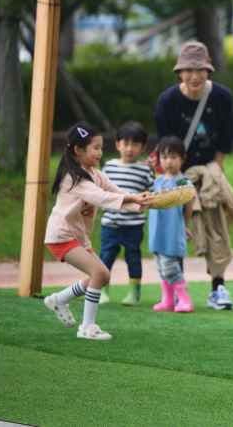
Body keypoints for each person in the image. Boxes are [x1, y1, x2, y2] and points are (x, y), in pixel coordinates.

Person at [42, 123, 150, 341]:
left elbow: (116, 192)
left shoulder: (96, 174)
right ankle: (87, 327)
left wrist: (141, 203)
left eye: (101, 147)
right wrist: (133, 199)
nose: (100, 152)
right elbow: (102, 197)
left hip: (76, 237)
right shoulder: (74, 178)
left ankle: (59, 300)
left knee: (102, 275)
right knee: (98, 273)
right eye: (95, 148)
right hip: (61, 236)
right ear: (78, 150)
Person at [155, 40, 233, 311]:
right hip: (177, 172)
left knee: (216, 227)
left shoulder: (222, 97)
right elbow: (165, 145)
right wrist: (173, 180)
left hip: (210, 169)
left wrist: (216, 176)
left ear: (208, 71)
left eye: (200, 70)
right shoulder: (167, 101)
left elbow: (225, 142)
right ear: (179, 72)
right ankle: (177, 288)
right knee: (176, 229)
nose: (194, 76)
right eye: (188, 70)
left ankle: (218, 286)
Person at [98, 121, 153, 306]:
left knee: (133, 257)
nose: (130, 149)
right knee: (106, 257)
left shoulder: (145, 170)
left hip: (134, 225)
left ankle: (134, 293)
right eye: (126, 143)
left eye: (135, 144)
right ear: (117, 144)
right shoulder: (109, 167)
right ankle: (102, 291)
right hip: (110, 223)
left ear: (142, 147)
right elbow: (100, 191)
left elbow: (152, 191)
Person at [149, 136, 196, 314]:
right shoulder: (158, 181)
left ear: (182, 159)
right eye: (165, 157)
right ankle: (168, 300)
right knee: (162, 267)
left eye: (173, 157)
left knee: (170, 267)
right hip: (157, 232)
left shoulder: (183, 182)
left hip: (172, 231)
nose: (168, 161)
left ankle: (184, 300)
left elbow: (189, 204)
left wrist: (185, 225)